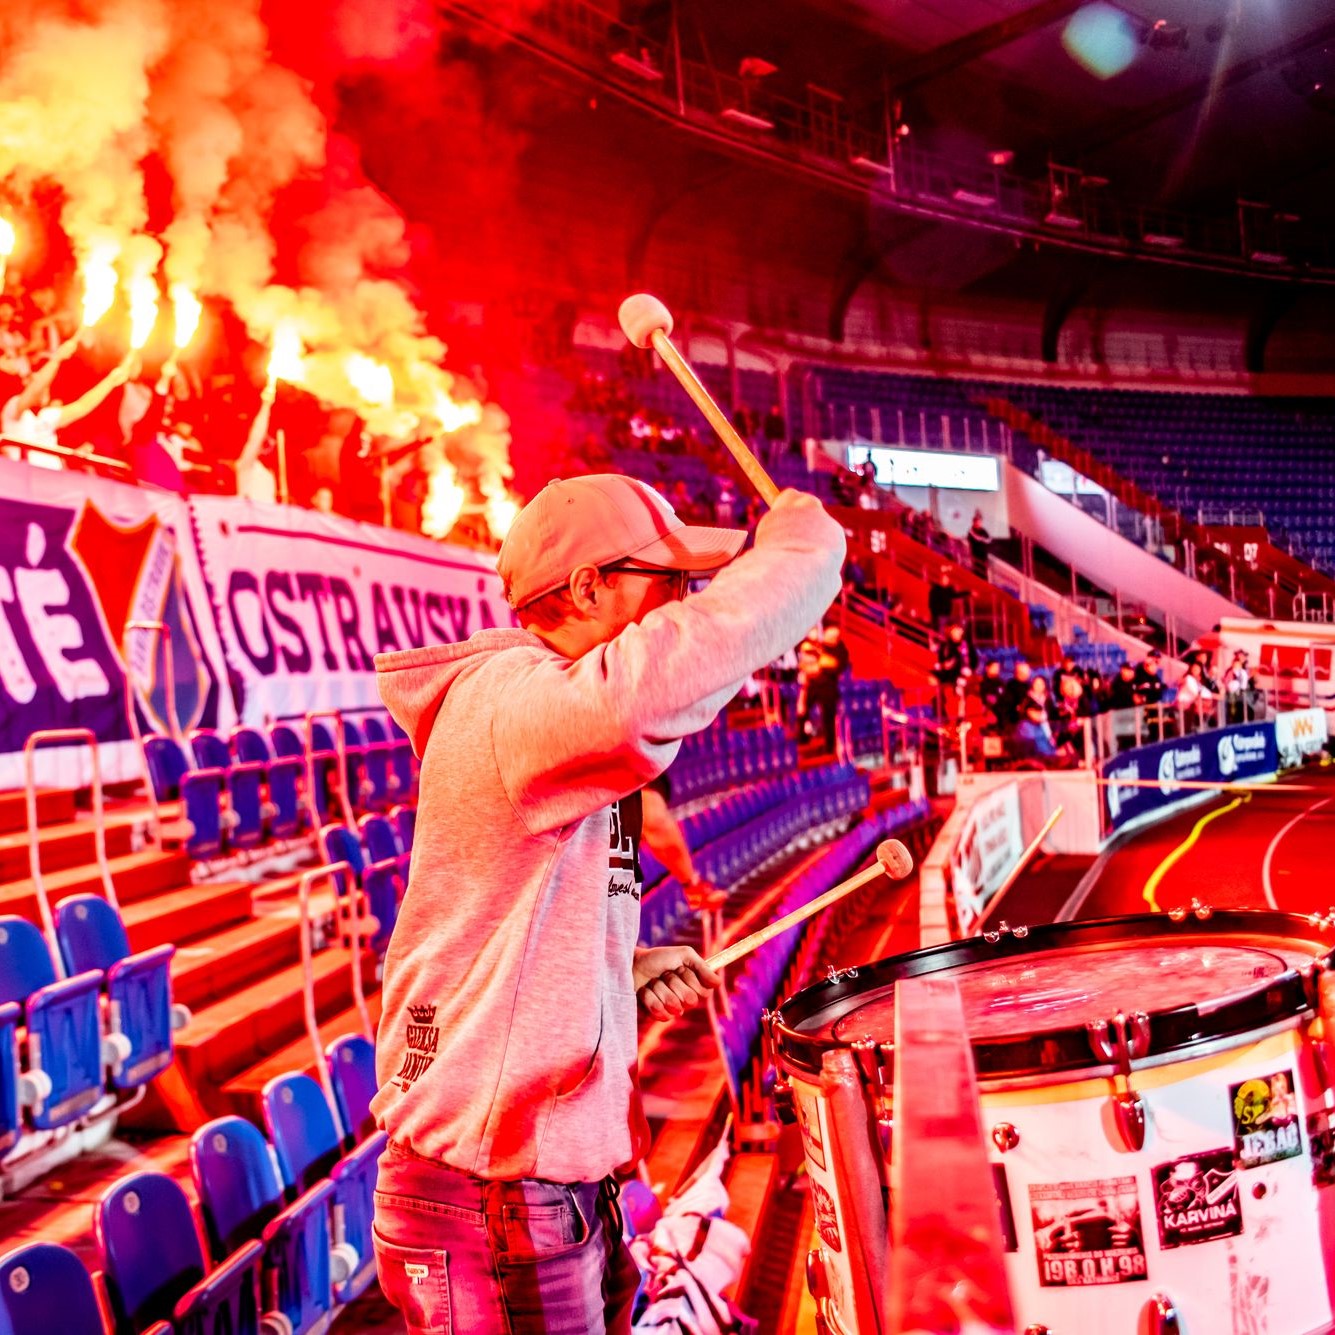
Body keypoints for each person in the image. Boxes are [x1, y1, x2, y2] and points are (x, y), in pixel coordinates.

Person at [370, 474, 845, 1334]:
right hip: (491, 1202)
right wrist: (802, 553)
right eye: (664, 579)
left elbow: (497, 928)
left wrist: (614, 968)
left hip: (535, 1192)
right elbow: (663, 671)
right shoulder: (511, 700)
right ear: (586, 586)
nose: (680, 599)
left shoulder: (538, 713)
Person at [797, 621, 851, 755]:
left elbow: (834, 664)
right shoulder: (815, 646)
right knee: (802, 711)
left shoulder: (840, 649)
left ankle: (829, 746)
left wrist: (822, 661)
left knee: (828, 717)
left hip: (829, 687)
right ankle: (803, 737)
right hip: (813, 684)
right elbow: (806, 664)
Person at [928, 568, 962, 633]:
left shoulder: (948, 590)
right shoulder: (936, 589)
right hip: (939, 615)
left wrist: (969, 593)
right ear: (941, 580)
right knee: (940, 630)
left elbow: (956, 595)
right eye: (945, 579)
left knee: (946, 629)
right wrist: (935, 613)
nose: (946, 581)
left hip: (946, 614)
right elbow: (931, 602)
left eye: (947, 580)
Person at [966, 509, 991, 579]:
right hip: (976, 555)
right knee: (977, 572)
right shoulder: (971, 531)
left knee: (984, 573)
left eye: (980, 521)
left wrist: (983, 539)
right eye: (978, 521)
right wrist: (981, 539)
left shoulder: (983, 530)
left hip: (983, 556)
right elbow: (973, 541)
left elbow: (989, 540)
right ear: (974, 522)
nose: (979, 523)